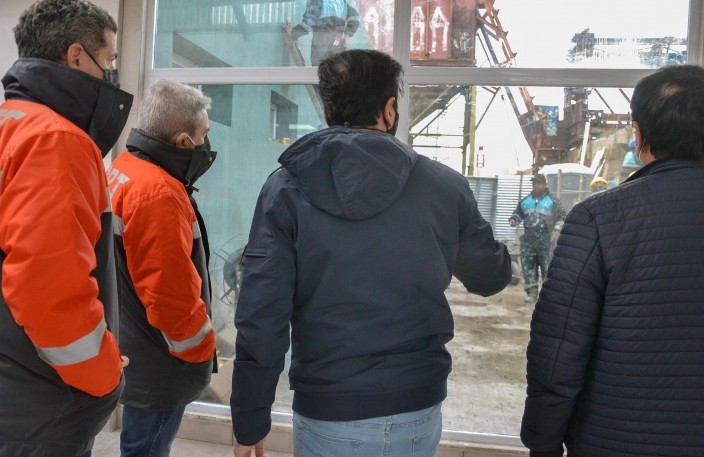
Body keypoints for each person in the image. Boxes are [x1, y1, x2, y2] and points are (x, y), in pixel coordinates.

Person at [230, 49, 512, 457]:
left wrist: (249, 419)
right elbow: (490, 277)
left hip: (328, 410)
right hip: (416, 403)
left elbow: (262, 315)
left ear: (329, 108)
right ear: (390, 109)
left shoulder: (285, 190)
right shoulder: (443, 186)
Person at [0, 1, 132, 456]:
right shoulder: (57, 140)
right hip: (35, 417)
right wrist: (107, 374)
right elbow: (51, 295)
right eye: (108, 61)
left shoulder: (5, 124)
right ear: (75, 57)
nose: (111, 74)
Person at [521, 65, 704, 457]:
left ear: (638, 134)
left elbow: (558, 351)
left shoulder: (599, 219)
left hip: (618, 439)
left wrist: (544, 443)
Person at [107, 80, 218, 457]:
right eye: (203, 136)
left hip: (132, 343)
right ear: (184, 141)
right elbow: (170, 294)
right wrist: (202, 348)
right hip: (160, 362)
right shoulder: (158, 193)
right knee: (146, 449)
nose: (207, 144)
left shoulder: (125, 168)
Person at [508, 174, 566, 302]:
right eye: (534, 183)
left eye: (538, 183)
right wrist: (514, 220)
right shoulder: (526, 201)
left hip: (546, 240)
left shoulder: (553, 201)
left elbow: (563, 216)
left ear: (544, 185)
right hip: (528, 240)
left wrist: (556, 231)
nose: (536, 185)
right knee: (528, 267)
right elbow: (517, 213)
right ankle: (531, 293)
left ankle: (547, 295)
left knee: (547, 268)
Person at [290, 0, 361, 65]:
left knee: (318, 65)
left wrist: (293, 33)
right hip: (337, 39)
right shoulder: (344, 2)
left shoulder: (317, 1)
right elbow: (355, 17)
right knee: (335, 64)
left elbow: (309, 23)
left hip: (321, 39)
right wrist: (346, 36)